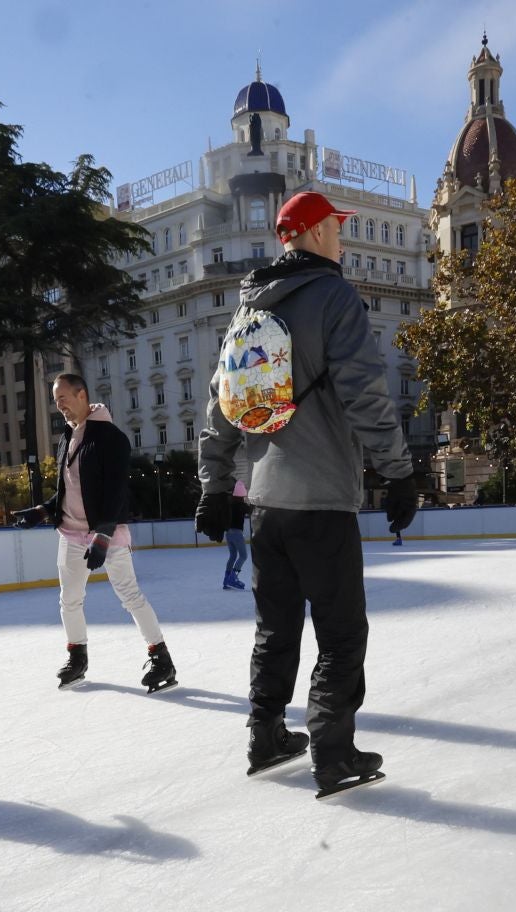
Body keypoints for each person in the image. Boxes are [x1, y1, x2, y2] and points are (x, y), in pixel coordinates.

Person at [196, 190, 417, 796]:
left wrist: (215, 485)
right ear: (316, 232)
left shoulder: (246, 311)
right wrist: (398, 471)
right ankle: (333, 752)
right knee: (342, 634)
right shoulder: (335, 297)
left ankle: (265, 735)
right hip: (321, 501)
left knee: (276, 630)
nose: (342, 240)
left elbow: (221, 405)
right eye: (337, 229)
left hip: (265, 508)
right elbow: (364, 392)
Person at [17, 374, 175, 692]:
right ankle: (77, 657)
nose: (59, 405)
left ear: (82, 395)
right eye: (55, 400)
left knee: (130, 595)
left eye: (63, 398)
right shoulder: (67, 436)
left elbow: (116, 491)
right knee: (69, 599)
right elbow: (69, 488)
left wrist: (103, 535)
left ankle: (161, 658)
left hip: (108, 532)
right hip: (70, 533)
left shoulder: (111, 438)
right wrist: (44, 510)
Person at [223, 480, 250, 589]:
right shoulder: (242, 505)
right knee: (243, 556)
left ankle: (226, 579)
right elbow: (252, 510)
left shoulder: (229, 504)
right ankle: (233, 578)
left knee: (233, 556)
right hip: (237, 533)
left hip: (228, 533)